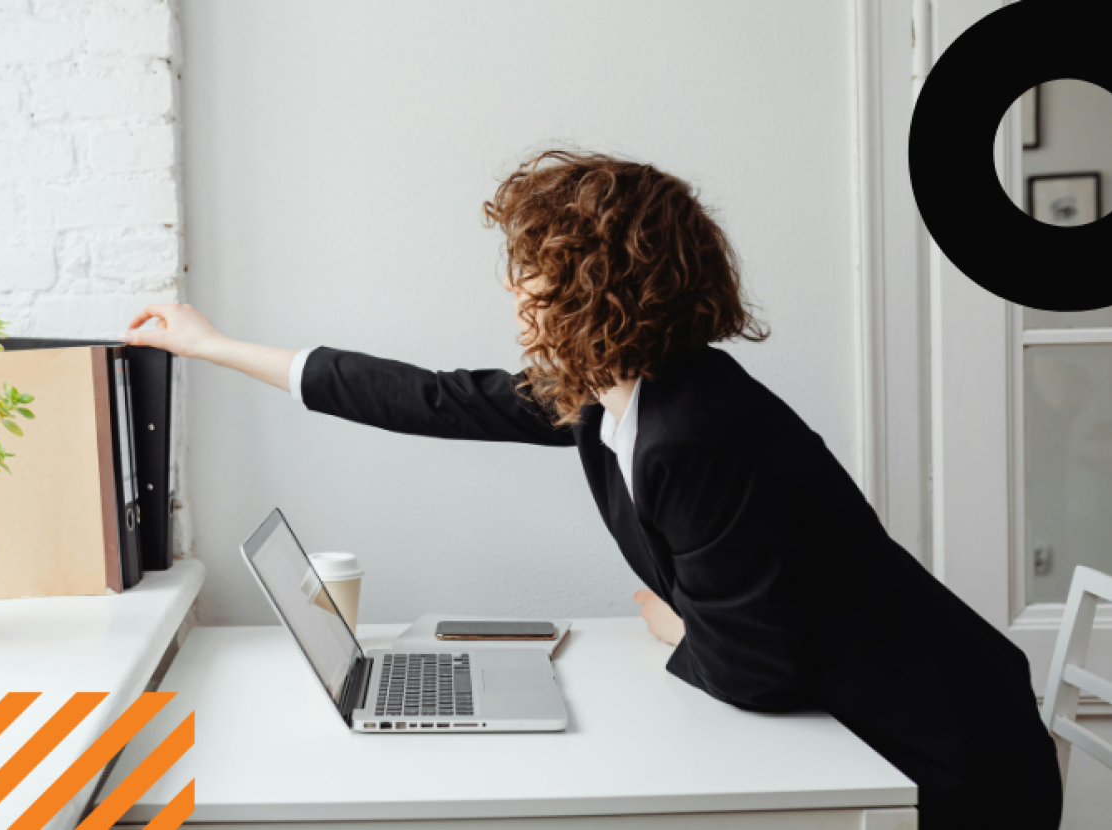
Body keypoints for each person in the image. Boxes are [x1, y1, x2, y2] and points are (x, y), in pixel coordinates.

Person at [124, 150, 1062, 828]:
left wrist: (677, 628)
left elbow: (754, 670)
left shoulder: (694, 434)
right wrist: (211, 345)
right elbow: (429, 398)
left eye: (528, 269)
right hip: (879, 724)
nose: (512, 292)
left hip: (946, 758)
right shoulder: (622, 390)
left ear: (593, 286)